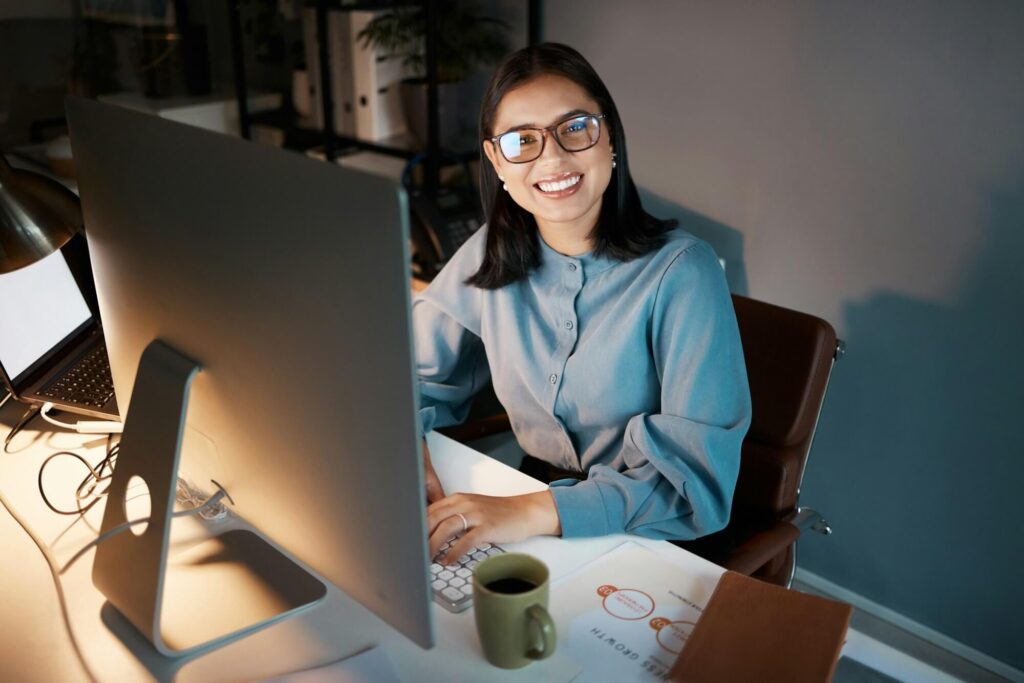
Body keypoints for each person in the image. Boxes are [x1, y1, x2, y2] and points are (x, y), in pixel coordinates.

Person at [416, 43, 751, 564]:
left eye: (574, 128)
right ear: (496, 161)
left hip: (657, 535)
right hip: (534, 508)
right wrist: (409, 449)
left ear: (609, 137)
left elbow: (696, 489)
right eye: (521, 140)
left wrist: (529, 512)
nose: (551, 157)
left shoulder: (684, 273)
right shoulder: (491, 249)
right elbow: (408, 375)